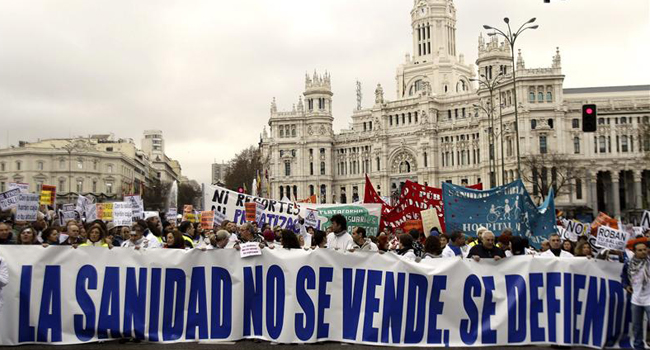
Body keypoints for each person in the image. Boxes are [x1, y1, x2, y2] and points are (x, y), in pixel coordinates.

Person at [622, 241, 650, 350]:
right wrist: (626, 285)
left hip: (649, 299)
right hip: (636, 300)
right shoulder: (628, 264)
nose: (643, 252)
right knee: (636, 327)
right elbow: (624, 276)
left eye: (645, 249)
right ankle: (639, 347)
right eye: (640, 250)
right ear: (634, 252)